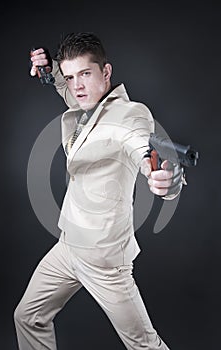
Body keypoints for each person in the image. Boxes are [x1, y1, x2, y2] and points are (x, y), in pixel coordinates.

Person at [14, 32, 185, 350]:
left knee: (144, 345)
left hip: (103, 259)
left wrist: (167, 179)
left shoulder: (129, 115)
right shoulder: (86, 100)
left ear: (106, 72)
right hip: (68, 247)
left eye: (85, 74)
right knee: (28, 316)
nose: (77, 86)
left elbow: (140, 146)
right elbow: (68, 90)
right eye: (71, 76)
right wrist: (50, 70)